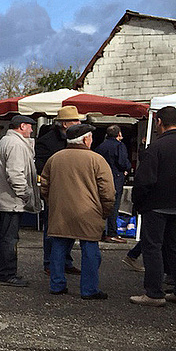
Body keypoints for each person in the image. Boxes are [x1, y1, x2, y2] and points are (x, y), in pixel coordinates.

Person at [40, 124, 114, 299]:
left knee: (58, 248)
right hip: (89, 212)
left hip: (60, 212)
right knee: (90, 250)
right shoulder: (96, 160)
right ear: (86, 139)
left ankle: (57, 285)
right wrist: (106, 210)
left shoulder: (55, 158)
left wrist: (52, 204)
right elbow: (108, 191)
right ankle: (89, 289)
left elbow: (44, 186)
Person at [129, 105, 176, 306]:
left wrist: (138, 203)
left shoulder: (156, 147)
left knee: (153, 248)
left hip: (156, 205)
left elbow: (144, 181)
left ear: (158, 122)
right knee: (173, 247)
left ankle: (154, 293)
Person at [0, 114, 40, 286]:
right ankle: (6, 274)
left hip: (7, 199)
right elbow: (15, 174)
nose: (32, 130)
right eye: (30, 126)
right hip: (12, 201)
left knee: (6, 237)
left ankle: (4, 272)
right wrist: (26, 195)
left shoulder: (5, 142)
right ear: (21, 126)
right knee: (9, 239)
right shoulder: (16, 144)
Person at [36, 105, 84, 276]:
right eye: (75, 120)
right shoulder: (47, 141)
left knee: (70, 228)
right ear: (65, 124)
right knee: (52, 229)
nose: (79, 123)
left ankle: (66, 260)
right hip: (56, 192)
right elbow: (41, 167)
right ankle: (50, 262)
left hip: (73, 191)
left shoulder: (76, 140)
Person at [94, 124, 131, 243]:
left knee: (101, 205)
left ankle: (99, 231)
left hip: (101, 178)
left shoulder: (101, 146)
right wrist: (127, 168)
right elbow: (122, 162)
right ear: (119, 134)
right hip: (116, 177)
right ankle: (112, 233)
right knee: (113, 206)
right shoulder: (119, 146)